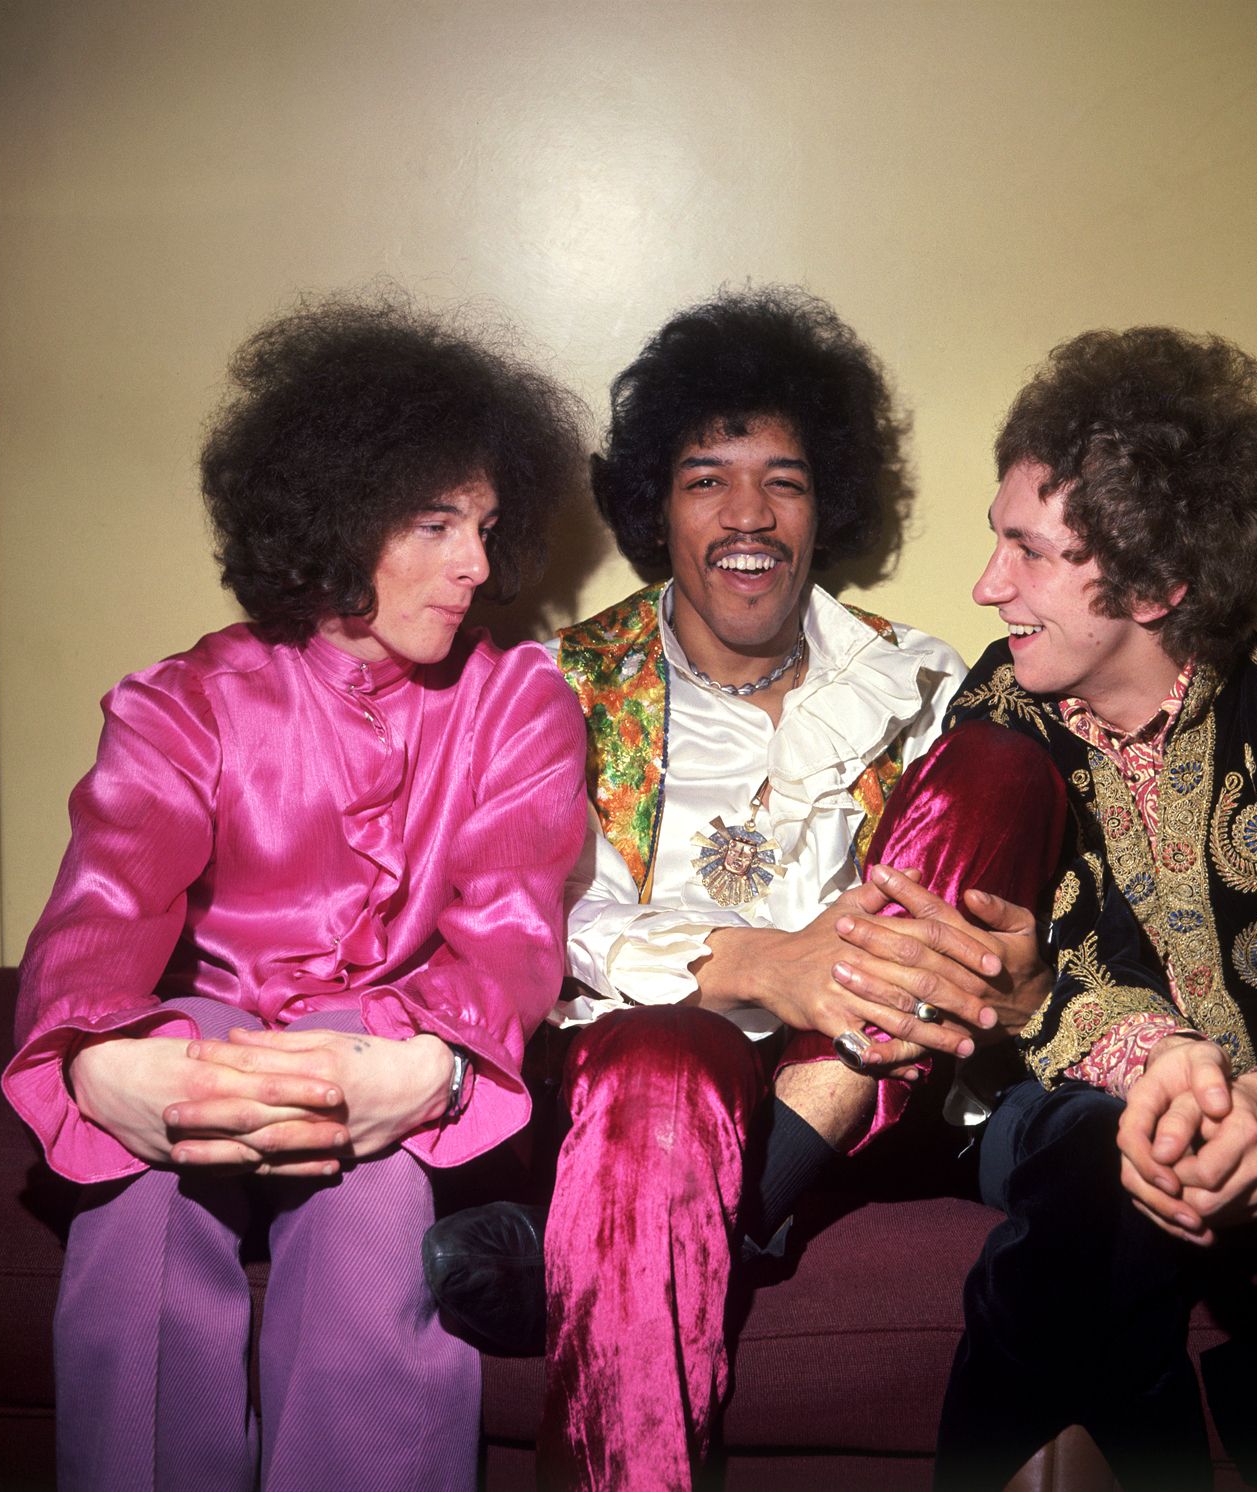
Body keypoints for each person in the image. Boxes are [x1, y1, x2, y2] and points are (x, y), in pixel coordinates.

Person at [424, 287, 1068, 1491]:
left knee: (1002, 762)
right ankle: (719, 1210)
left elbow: (988, 908)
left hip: (873, 1102)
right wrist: (761, 964)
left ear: (827, 508)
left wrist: (1016, 977)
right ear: (655, 508)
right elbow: (536, 916)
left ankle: (721, 1205)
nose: (748, 514)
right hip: (642, 1098)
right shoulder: (557, 683)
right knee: (665, 1057)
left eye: (785, 480)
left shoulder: (919, 678)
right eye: (705, 479)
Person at [2, 295, 589, 1492]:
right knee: (136, 1199)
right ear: (338, 509)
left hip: (393, 1044)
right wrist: (97, 1063)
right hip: (209, 1034)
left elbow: (511, 935)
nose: (477, 566)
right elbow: (103, 909)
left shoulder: (520, 704)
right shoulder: (184, 701)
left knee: (377, 1206)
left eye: (485, 526)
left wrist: (432, 1068)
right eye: (436, 523)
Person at [936, 326, 1257, 1489]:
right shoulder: (998, 715)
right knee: (1087, 1155)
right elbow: (1036, 949)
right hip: (1064, 1107)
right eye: (998, 541)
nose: (987, 586)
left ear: (1157, 584)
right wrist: (1171, 1081)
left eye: (1029, 552)